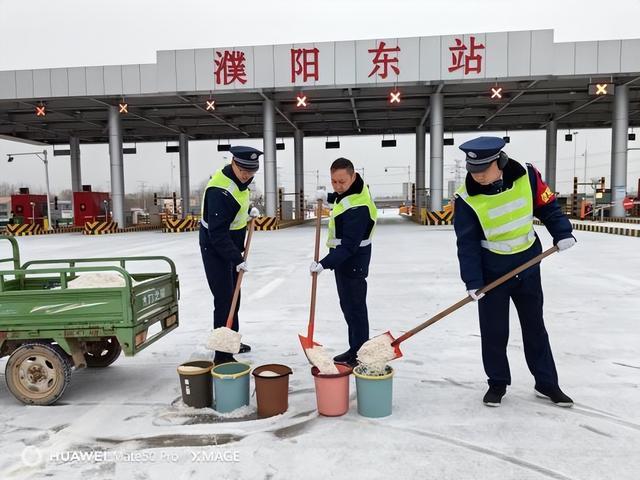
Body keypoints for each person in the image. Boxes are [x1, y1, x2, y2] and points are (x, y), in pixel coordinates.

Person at [453, 136, 576, 408]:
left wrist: (562, 232)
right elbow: (467, 244)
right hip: (492, 272)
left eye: (483, 171)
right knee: (494, 331)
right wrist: (472, 281)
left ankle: (547, 383)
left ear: (499, 162)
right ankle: (497, 383)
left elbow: (548, 206)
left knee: (535, 328)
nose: (478, 177)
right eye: (473, 172)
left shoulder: (528, 177)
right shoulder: (465, 198)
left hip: (529, 264)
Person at [310, 158, 378, 367]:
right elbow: (342, 200)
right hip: (344, 261)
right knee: (348, 307)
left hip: (353, 261)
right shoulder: (351, 193)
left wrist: (324, 263)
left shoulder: (360, 208)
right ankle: (354, 348)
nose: (338, 186)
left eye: (342, 182)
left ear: (353, 177)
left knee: (356, 308)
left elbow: (349, 246)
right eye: (333, 182)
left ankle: (360, 354)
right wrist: (329, 197)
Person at [200, 146, 261, 365]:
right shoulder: (220, 191)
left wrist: (247, 215)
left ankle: (231, 341)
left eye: (252, 170)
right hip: (215, 247)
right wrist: (237, 258)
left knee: (235, 295)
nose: (247, 174)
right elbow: (217, 234)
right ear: (233, 163)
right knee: (225, 299)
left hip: (230, 245)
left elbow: (232, 216)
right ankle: (222, 354)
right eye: (243, 169)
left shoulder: (239, 183)